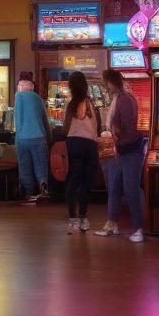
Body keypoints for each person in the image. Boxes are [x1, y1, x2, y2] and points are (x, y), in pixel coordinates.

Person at [96, 68, 146, 242]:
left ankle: (139, 228)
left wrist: (116, 137)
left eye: (105, 84)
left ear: (110, 83)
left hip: (129, 151)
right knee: (114, 188)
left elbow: (128, 127)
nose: (104, 87)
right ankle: (112, 223)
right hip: (120, 151)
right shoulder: (119, 98)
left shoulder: (124, 100)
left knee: (130, 190)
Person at [62, 71, 100, 233]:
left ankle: (72, 219)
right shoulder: (92, 105)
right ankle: (83, 218)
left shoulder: (70, 106)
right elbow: (96, 128)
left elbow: (65, 128)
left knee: (73, 182)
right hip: (90, 145)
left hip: (74, 144)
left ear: (71, 87)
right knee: (86, 183)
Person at [13, 73, 51, 204]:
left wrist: (18, 135)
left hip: (23, 138)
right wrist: (48, 136)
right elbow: (45, 120)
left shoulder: (19, 97)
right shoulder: (38, 98)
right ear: (32, 87)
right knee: (41, 165)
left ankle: (28, 193)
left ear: (21, 86)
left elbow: (18, 118)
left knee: (25, 167)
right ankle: (43, 187)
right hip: (39, 137)